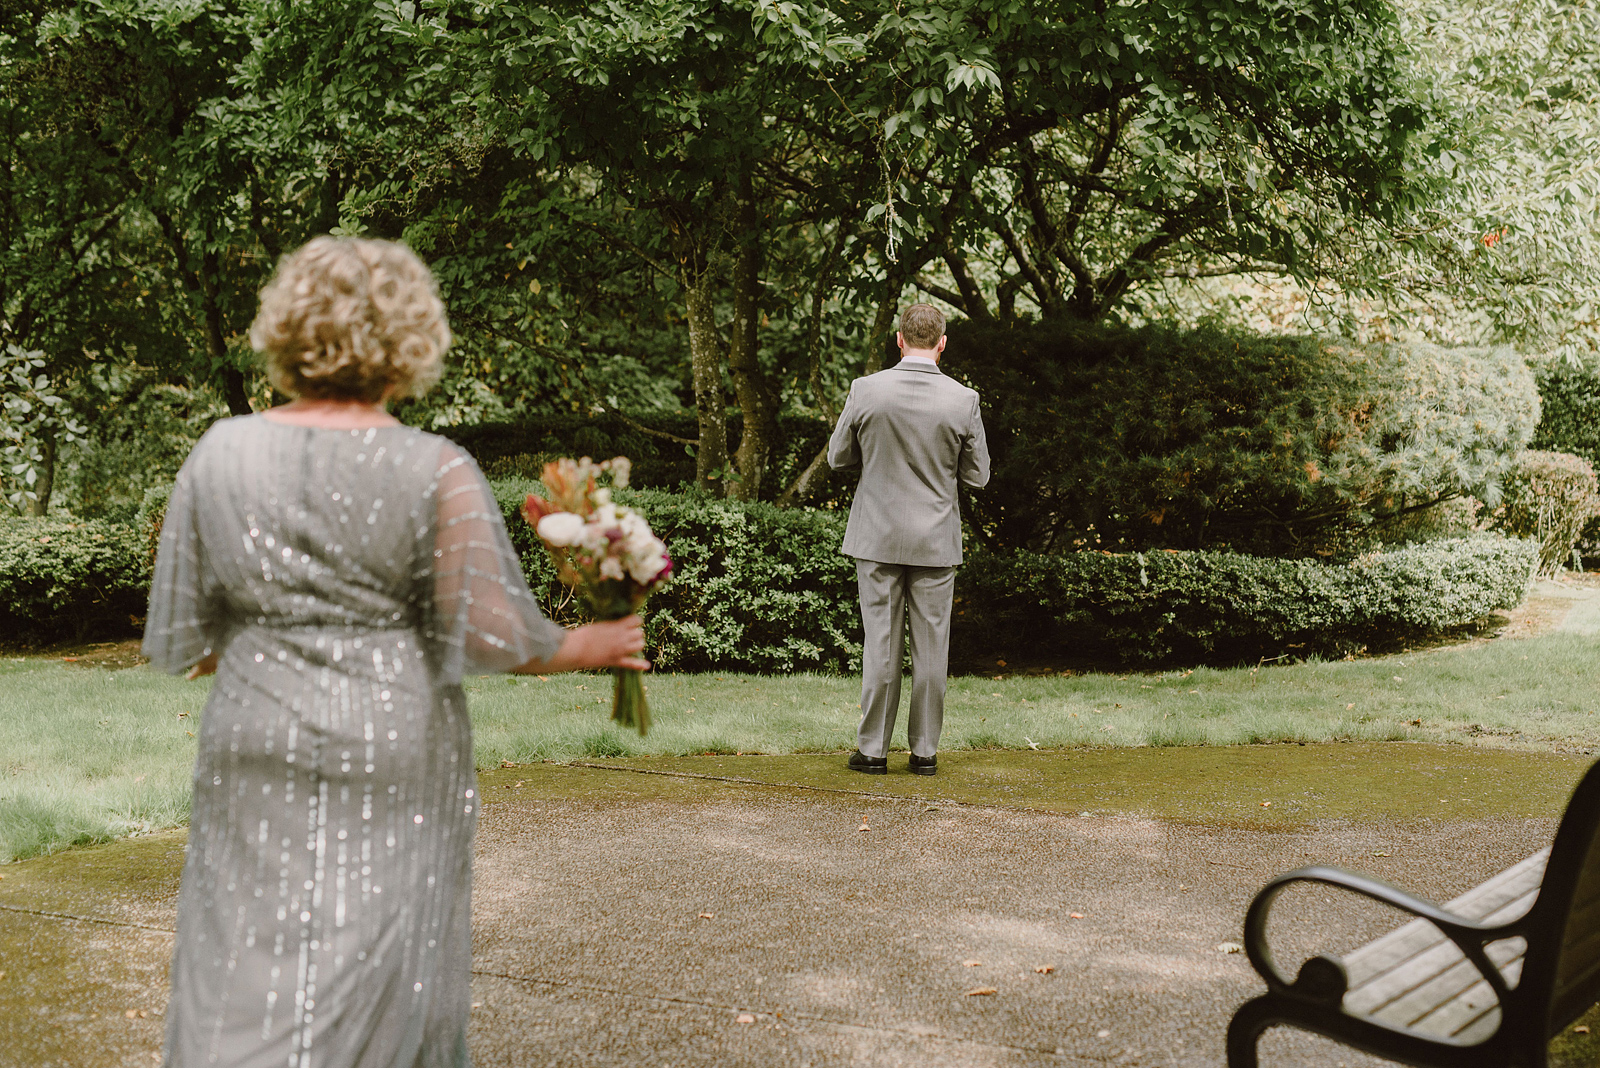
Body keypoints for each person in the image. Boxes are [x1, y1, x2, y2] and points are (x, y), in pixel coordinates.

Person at [142, 236, 647, 1068]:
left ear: (286, 326)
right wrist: (602, 640)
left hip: (253, 729)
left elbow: (191, 645)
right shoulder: (434, 468)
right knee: (380, 961)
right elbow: (491, 637)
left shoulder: (217, 454)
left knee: (242, 949)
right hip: (390, 739)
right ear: (410, 338)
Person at [826, 303, 990, 776]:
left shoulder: (866, 390)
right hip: (936, 540)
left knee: (880, 645)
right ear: (942, 343)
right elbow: (977, 476)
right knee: (932, 649)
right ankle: (924, 753)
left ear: (899, 340)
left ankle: (873, 750)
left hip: (876, 536)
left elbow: (838, 457)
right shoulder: (963, 400)